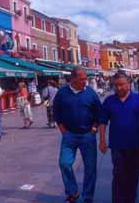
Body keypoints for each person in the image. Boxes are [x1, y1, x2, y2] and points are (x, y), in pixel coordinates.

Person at [99, 72, 139, 203]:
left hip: (136, 146)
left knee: (133, 176)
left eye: (122, 85)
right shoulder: (109, 101)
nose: (118, 88)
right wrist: (102, 141)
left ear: (129, 84)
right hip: (117, 146)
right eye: (116, 85)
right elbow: (103, 122)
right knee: (118, 176)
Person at [53, 67, 102, 203]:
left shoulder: (91, 93)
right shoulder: (62, 93)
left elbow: (99, 112)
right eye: (82, 79)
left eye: (85, 79)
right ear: (73, 78)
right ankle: (72, 192)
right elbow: (56, 111)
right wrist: (62, 129)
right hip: (69, 136)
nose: (85, 81)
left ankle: (88, 196)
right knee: (64, 163)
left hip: (88, 135)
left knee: (90, 167)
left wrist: (94, 128)